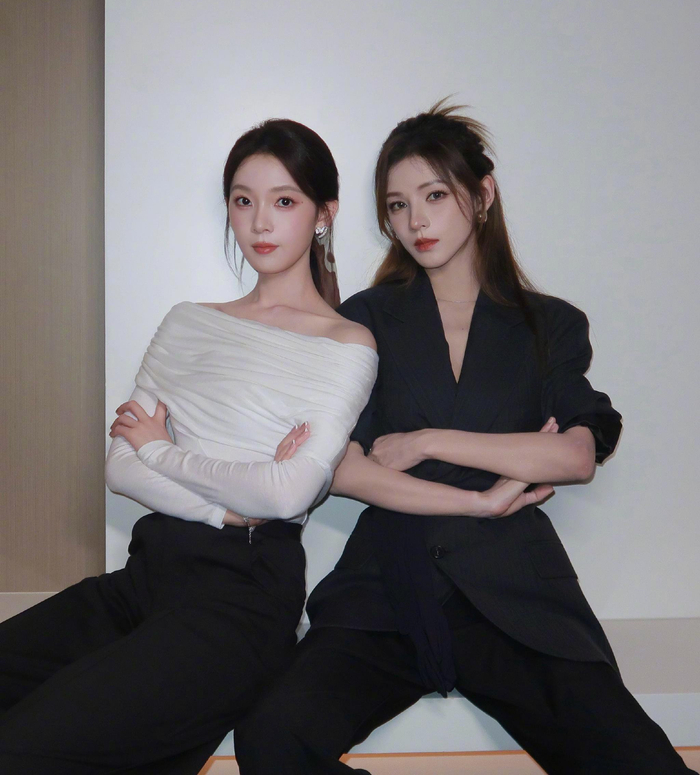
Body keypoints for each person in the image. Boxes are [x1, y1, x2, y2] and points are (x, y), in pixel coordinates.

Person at [233, 103, 695, 774]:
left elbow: (574, 455)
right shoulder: (366, 319)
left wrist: (426, 441)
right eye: (397, 206)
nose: (415, 222)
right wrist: (491, 478)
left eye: (435, 196)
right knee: (271, 736)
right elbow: (345, 467)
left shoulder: (549, 325)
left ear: (482, 195)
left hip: (514, 598)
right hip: (384, 590)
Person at [0, 119, 381, 774]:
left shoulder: (346, 344)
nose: (260, 221)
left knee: (22, 748)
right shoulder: (188, 321)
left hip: (241, 600)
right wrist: (226, 506)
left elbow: (285, 492)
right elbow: (120, 467)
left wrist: (162, 452)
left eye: (284, 201)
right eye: (243, 200)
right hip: (145, 577)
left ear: (324, 214)